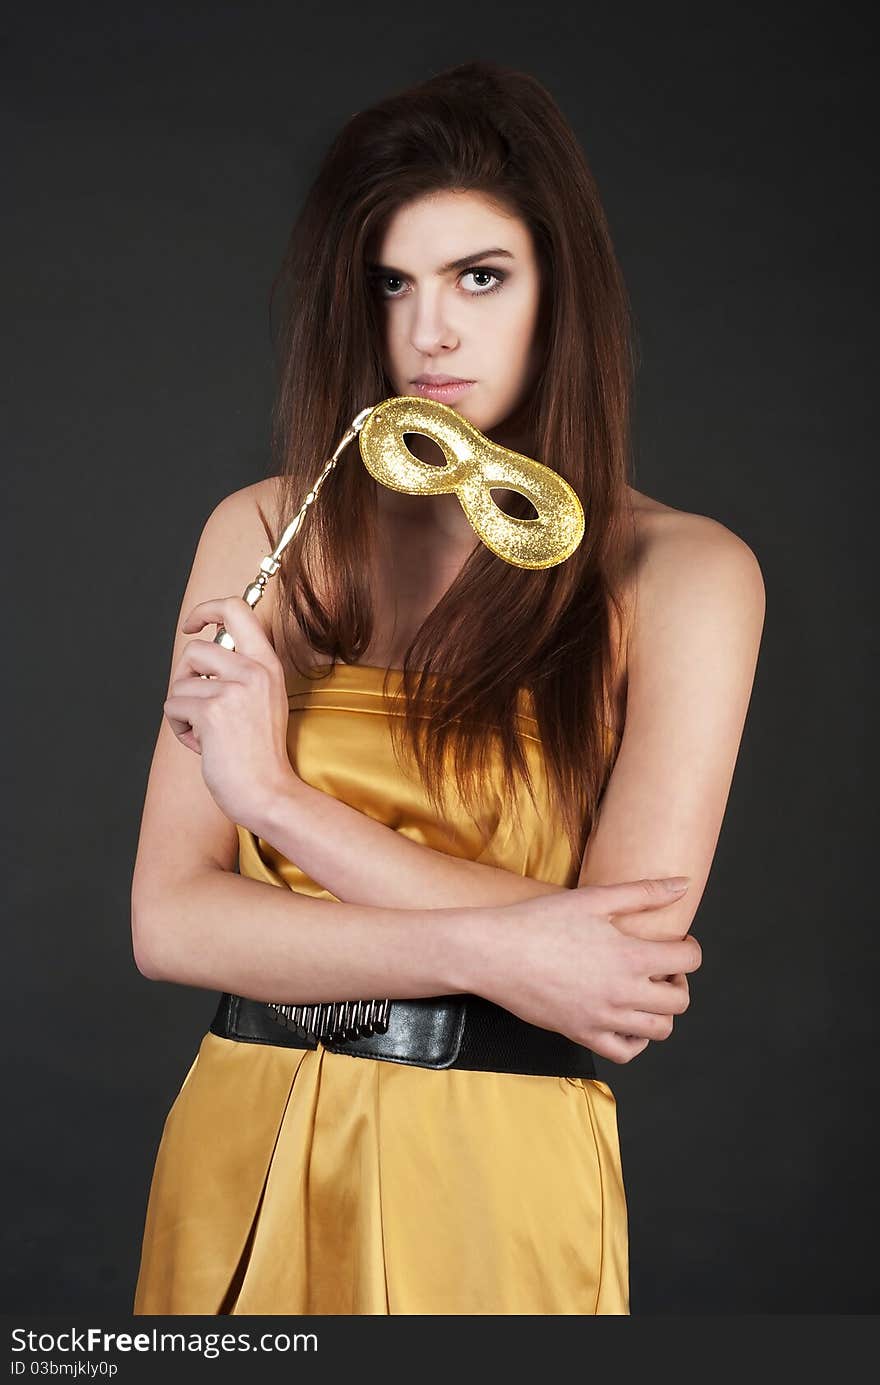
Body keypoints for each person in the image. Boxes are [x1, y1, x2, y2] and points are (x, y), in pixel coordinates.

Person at [130, 60, 765, 1316]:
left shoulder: (687, 573)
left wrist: (277, 798)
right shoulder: (264, 529)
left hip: (490, 1167)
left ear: (555, 293)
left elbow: (617, 977)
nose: (432, 331)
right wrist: (492, 943)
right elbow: (171, 924)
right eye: (392, 284)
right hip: (240, 1143)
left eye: (480, 276)